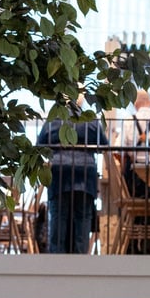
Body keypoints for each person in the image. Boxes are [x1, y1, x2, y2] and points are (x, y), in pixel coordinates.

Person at [37, 102, 108, 253]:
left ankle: (57, 260)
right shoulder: (90, 120)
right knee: (83, 218)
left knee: (58, 217)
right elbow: (104, 144)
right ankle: (81, 260)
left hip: (59, 173)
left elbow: (40, 144)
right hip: (85, 173)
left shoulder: (53, 121)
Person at [113, 89, 150, 197]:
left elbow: (117, 149)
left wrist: (124, 163)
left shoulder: (128, 122)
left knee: (134, 204)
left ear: (135, 104)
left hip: (133, 174)